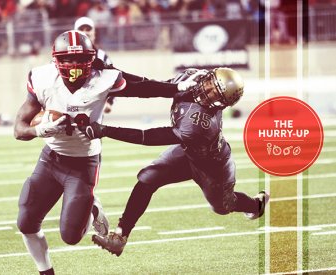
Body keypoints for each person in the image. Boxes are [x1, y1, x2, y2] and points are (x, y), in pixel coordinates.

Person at [14, 30, 202, 275]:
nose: (73, 65)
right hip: (50, 159)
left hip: (83, 164)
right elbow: (19, 129)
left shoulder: (102, 78)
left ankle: (92, 207)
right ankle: (45, 272)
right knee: (26, 222)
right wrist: (40, 130)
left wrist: (176, 88)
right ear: (56, 59)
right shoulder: (42, 77)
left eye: (80, 58)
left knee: (70, 236)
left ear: (91, 58)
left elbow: (141, 88)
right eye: (67, 59)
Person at [80, 68, 270, 257]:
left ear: (223, 104)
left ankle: (256, 206)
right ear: (208, 76)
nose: (208, 92)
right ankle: (120, 236)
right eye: (211, 84)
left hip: (213, 166)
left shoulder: (199, 125)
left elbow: (148, 137)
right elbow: (150, 85)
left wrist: (105, 130)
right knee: (147, 179)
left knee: (223, 207)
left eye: (216, 94)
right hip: (187, 153)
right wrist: (110, 72)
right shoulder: (191, 77)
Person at [74, 16, 115, 113]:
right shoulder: (64, 53)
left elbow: (113, 79)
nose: (85, 32)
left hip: (94, 106)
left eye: (88, 29)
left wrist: (109, 102)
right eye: (81, 29)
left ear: (94, 33)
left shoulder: (102, 56)